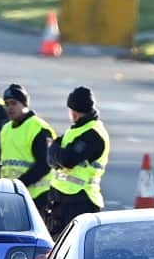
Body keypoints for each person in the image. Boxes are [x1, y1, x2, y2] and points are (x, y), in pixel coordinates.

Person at [47, 86, 109, 237]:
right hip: (62, 200)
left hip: (81, 200)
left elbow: (66, 159)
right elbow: (53, 158)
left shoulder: (93, 134)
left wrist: (54, 147)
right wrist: (56, 153)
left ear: (73, 111)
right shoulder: (76, 130)